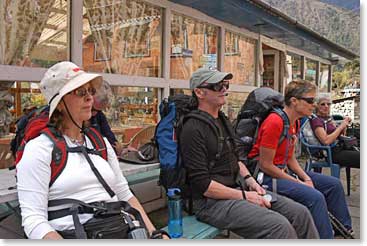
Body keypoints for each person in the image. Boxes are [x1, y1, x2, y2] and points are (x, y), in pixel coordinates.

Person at [16, 61, 166, 239]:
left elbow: (125, 194)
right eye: (80, 92)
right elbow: (33, 220)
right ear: (60, 103)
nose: (89, 98)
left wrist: (155, 234)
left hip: (120, 230)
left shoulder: (99, 142)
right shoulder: (39, 149)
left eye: (91, 91)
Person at [180, 68, 319, 239]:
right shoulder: (192, 128)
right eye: (217, 86)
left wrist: (250, 182)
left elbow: (235, 158)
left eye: (225, 84)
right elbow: (203, 185)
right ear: (199, 92)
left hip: (237, 189)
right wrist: (245, 196)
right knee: (278, 226)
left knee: (300, 214)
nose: (224, 89)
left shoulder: (222, 120)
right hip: (210, 203)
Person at [248, 79, 353, 238]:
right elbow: (265, 165)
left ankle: (343, 231)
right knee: (315, 197)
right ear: (294, 101)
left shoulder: (294, 123)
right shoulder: (274, 122)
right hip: (265, 178)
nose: (314, 105)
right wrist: (298, 182)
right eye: (310, 101)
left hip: (283, 172)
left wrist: (305, 178)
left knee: (334, 184)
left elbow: (290, 159)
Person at [310, 93, 359, 169]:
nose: (326, 106)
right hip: (331, 153)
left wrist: (343, 127)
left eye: (328, 104)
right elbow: (326, 141)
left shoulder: (328, 119)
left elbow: (340, 135)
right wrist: (341, 126)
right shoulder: (317, 121)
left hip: (340, 147)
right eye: (323, 104)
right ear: (317, 106)